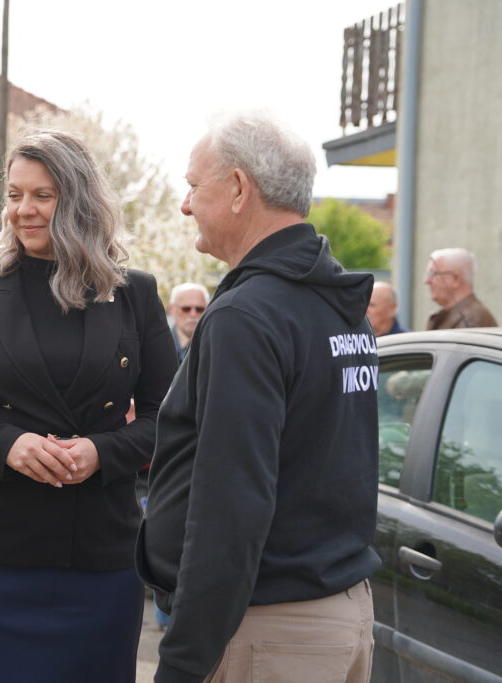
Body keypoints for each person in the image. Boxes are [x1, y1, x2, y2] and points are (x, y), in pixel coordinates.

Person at [0, 129, 178, 683]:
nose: (22, 210)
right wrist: (8, 445)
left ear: (79, 200)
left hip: (98, 559)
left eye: (42, 195)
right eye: (14, 195)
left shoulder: (135, 294)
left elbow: (171, 418)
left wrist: (101, 453)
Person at [140, 111, 380, 683]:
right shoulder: (331, 300)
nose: (185, 205)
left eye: (193, 186)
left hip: (268, 629)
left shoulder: (248, 316)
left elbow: (231, 505)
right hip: (334, 615)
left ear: (239, 188)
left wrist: (182, 663)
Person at [424, 247, 498, 329]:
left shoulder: (472, 320)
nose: (427, 281)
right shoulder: (454, 316)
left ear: (455, 279)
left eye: (432, 274)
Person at [168, 283, 209, 363]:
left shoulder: (215, 347)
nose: (193, 314)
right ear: (172, 309)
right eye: (186, 309)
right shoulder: (159, 345)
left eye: (199, 309)